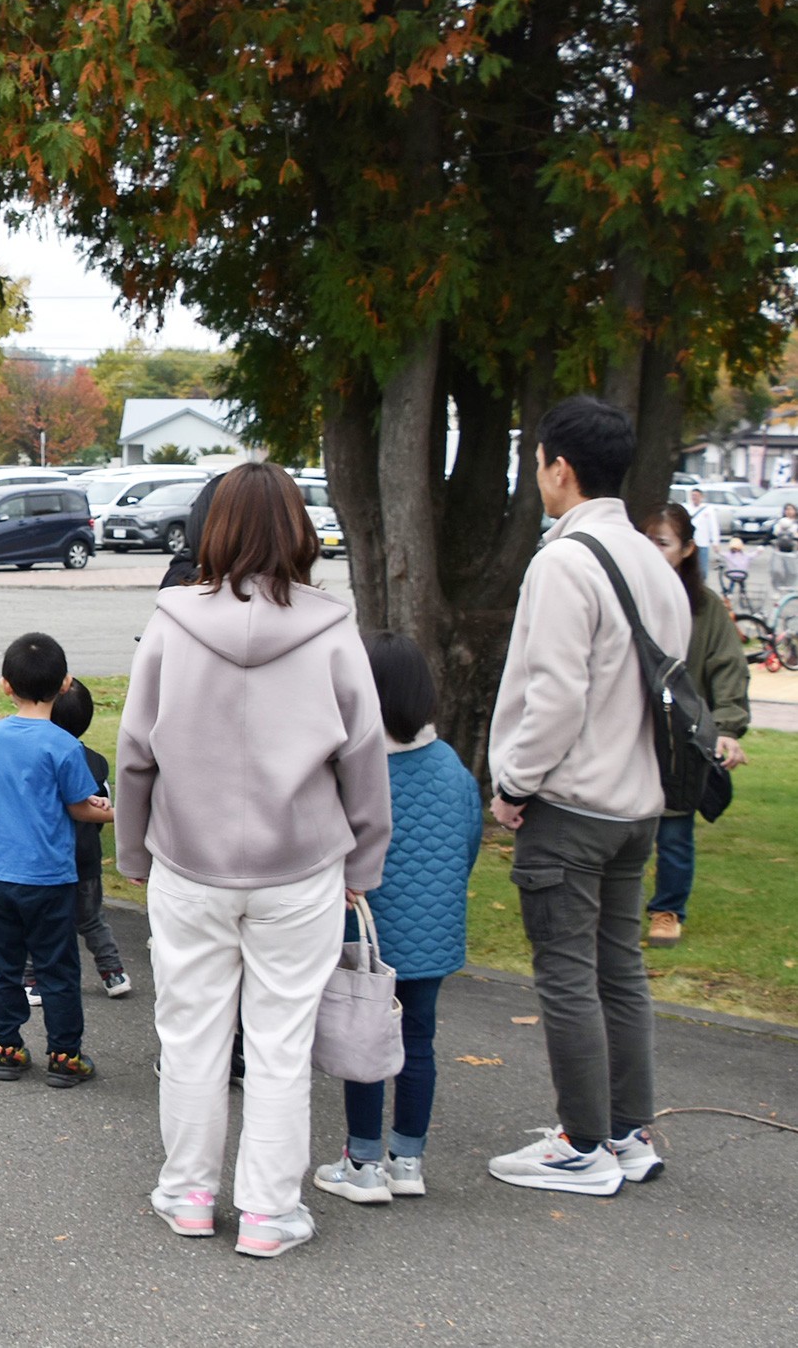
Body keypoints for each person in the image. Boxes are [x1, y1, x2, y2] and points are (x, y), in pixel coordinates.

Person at [116, 460, 390, 1259]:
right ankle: (270, 1213)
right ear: (298, 529)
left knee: (192, 1035)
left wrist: (134, 849)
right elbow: (365, 757)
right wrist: (361, 864)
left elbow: (136, 754)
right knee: (280, 1043)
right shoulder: (332, 627)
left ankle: (189, 1193)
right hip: (301, 867)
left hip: (188, 863)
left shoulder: (171, 621)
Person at [487, 396, 689, 1195]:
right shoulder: (651, 563)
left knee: (568, 974)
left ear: (559, 468)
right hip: (638, 804)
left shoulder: (565, 562)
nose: (536, 474)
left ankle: (581, 1143)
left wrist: (512, 785)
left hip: (570, 805)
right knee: (619, 970)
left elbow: (556, 698)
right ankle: (628, 1131)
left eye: (537, 462)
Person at [312, 634, 482, 1206]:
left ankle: (361, 1160)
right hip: (434, 933)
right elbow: (469, 842)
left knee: (363, 1036)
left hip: (368, 932)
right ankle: (407, 1159)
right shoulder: (452, 768)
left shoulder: (354, 771)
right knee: (419, 1043)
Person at [0, 633, 114, 1087]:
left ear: (5, 685)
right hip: (47, 878)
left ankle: (8, 1048)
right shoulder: (64, 746)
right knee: (57, 967)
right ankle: (65, 1056)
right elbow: (79, 806)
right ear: (66, 682)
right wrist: (115, 812)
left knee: (4, 965)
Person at [640, 504, 751, 948]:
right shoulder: (626, 596)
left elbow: (730, 671)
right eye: (646, 541)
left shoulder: (705, 610)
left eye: (663, 543)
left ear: (687, 549)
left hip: (681, 743)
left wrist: (725, 729)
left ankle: (667, 910)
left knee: (674, 833)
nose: (653, 551)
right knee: (617, 830)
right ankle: (614, 909)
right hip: (629, 736)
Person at [47, 678, 130, 997]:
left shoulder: (45, 758)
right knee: (92, 920)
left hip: (54, 857)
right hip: (87, 857)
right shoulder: (96, 762)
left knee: (43, 922)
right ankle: (114, 973)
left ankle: (32, 979)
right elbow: (101, 808)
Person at [684, 487, 721, 578]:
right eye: (693, 495)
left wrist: (715, 542)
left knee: (702, 568)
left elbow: (713, 526)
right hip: (690, 542)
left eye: (696, 495)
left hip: (703, 543)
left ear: (701, 497)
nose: (694, 497)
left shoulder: (708, 510)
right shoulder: (687, 508)